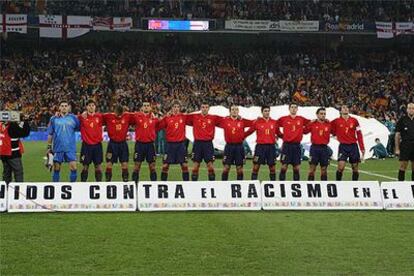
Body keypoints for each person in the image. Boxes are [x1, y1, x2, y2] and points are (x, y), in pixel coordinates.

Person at [186, 103, 222, 181]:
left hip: (208, 144)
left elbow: (226, 120)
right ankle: (194, 185)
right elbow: (181, 118)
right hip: (197, 144)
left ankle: (212, 186)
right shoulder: (194, 117)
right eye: (203, 107)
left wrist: (239, 118)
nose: (204, 108)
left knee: (210, 167)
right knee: (195, 166)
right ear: (200, 108)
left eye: (206, 107)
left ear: (208, 108)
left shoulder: (213, 117)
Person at [47, 100, 80, 182]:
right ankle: (56, 187)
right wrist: (49, 147)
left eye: (66, 106)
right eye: (62, 106)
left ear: (68, 107)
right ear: (59, 108)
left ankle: (72, 187)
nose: (64, 107)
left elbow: (78, 128)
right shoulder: (53, 119)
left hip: (70, 148)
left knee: (74, 167)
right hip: (58, 148)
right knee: (56, 168)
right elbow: (50, 134)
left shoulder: (73, 118)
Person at [217, 105, 253, 180]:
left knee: (239, 168)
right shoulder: (225, 120)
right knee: (226, 168)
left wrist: (244, 135)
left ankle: (240, 185)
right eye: (233, 109)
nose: (234, 111)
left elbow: (253, 124)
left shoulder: (242, 120)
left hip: (239, 147)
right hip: (229, 147)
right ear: (230, 111)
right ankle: (223, 185)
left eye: (236, 109)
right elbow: (213, 121)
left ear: (238, 111)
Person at [244, 105, 280, 180]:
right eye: (265, 111)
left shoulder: (274, 122)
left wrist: (284, 137)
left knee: (272, 168)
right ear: (262, 112)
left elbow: (279, 133)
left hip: (271, 147)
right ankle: (253, 185)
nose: (267, 112)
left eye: (268, 111)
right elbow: (249, 132)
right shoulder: (257, 122)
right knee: (256, 167)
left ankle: (273, 185)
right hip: (260, 147)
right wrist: (240, 137)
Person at [331, 105, 365, 181]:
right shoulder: (336, 121)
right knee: (341, 167)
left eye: (347, 107)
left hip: (353, 146)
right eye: (343, 107)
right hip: (343, 146)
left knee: (355, 168)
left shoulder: (354, 120)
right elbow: (329, 128)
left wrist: (362, 147)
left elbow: (359, 134)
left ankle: (354, 185)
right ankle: (338, 184)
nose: (346, 109)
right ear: (340, 111)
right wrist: (334, 133)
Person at [277, 103, 310, 181]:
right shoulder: (283, 119)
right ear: (289, 109)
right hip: (287, 146)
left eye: (295, 107)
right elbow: (275, 125)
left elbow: (311, 123)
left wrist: (304, 131)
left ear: (297, 109)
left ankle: (296, 185)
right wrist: (281, 135)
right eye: (292, 107)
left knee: (296, 168)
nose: (293, 109)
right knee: (284, 166)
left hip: (297, 146)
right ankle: (281, 185)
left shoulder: (301, 119)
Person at [158, 100, 189, 181]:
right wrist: (165, 116)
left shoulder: (184, 116)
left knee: (184, 166)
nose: (176, 108)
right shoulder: (167, 118)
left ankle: (187, 185)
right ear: (171, 108)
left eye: (177, 107)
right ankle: (162, 185)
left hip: (181, 145)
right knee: (165, 166)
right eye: (174, 107)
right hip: (170, 145)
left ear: (180, 108)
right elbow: (158, 126)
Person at [130, 101, 159, 183]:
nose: (146, 107)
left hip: (150, 145)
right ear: (142, 108)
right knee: (136, 166)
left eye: (147, 105)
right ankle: (134, 186)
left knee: (152, 167)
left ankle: (154, 186)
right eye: (144, 105)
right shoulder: (136, 116)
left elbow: (159, 126)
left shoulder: (154, 119)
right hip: (139, 145)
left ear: (150, 108)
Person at [103, 105, 131, 182]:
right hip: (112, 144)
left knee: (124, 164)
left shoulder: (127, 116)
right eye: (117, 113)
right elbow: (97, 116)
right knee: (109, 163)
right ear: (114, 111)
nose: (118, 115)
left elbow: (138, 115)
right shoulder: (108, 116)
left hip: (123, 144)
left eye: (120, 113)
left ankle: (125, 182)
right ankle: (108, 182)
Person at [78, 99, 104, 182]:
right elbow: (71, 118)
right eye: (89, 105)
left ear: (95, 107)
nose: (91, 107)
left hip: (97, 145)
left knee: (98, 166)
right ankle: (83, 185)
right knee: (85, 166)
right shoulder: (82, 117)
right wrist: (58, 114)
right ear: (86, 107)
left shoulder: (100, 117)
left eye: (93, 105)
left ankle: (99, 185)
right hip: (86, 145)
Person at [0, 115, 30, 184]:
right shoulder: (12, 126)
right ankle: (18, 192)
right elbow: (24, 133)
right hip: (12, 153)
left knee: (6, 173)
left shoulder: (1, 125)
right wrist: (25, 122)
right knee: (18, 172)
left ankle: (5, 191)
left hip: (3, 153)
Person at [304, 107, 332, 181]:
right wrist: (309, 123)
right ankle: (310, 187)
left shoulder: (329, 124)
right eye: (321, 114)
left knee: (324, 170)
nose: (323, 115)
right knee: (312, 170)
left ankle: (324, 188)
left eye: (324, 114)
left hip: (324, 149)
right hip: (314, 148)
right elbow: (305, 131)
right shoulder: (313, 123)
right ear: (317, 115)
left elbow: (335, 132)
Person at [395, 102, 414, 181]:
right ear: (407, 110)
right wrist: (397, 148)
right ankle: (400, 185)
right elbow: (397, 135)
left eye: (413, 108)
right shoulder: (402, 120)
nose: (411, 110)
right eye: (409, 108)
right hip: (405, 145)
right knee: (403, 166)